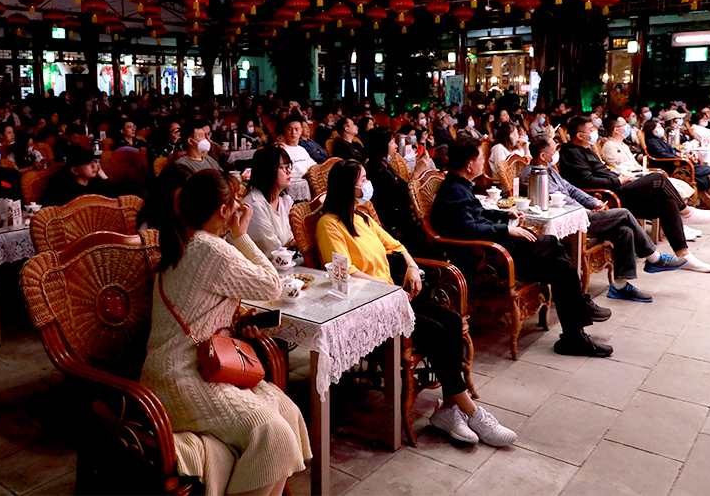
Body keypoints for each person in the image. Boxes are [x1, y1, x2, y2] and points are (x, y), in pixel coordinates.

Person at [316, 159, 517, 446]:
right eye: (362, 180)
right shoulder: (329, 224)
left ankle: (449, 408)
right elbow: (344, 271)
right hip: (366, 305)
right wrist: (388, 288)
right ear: (348, 187)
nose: (367, 185)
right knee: (434, 331)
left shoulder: (362, 219)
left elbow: (396, 246)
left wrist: (410, 266)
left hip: (392, 298)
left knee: (448, 319)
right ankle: (471, 410)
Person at [141, 170, 310, 496]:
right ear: (223, 210)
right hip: (178, 375)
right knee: (272, 434)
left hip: (198, 363)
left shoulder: (189, 241)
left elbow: (201, 307)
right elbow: (272, 285)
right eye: (235, 201)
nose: (240, 207)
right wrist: (242, 234)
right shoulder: (213, 249)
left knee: (287, 412)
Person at [433, 138, 614, 357]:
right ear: (470, 165)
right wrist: (507, 230)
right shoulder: (454, 191)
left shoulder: (459, 185)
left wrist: (504, 215)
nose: (483, 162)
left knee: (560, 261)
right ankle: (575, 328)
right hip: (486, 259)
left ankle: (575, 330)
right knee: (559, 259)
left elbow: (477, 214)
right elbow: (467, 229)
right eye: (481, 158)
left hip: (494, 249)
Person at [521, 135, 686, 302]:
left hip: (581, 212)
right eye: (553, 149)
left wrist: (593, 202)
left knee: (624, 230)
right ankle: (653, 257)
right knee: (624, 213)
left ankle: (620, 286)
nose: (556, 151)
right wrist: (584, 208)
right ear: (543, 156)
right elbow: (556, 199)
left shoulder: (550, 170)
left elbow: (572, 190)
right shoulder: (533, 175)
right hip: (569, 217)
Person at [559, 116, 710, 273]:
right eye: (591, 130)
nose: (595, 132)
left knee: (666, 202)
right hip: (609, 197)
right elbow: (586, 182)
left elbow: (602, 172)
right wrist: (617, 181)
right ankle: (686, 212)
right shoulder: (571, 153)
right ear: (580, 135)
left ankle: (684, 254)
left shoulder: (587, 150)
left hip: (618, 188)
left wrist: (620, 179)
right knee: (658, 178)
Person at [362, 127, 431, 254]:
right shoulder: (377, 171)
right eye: (392, 142)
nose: (395, 147)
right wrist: (417, 171)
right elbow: (406, 196)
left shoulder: (385, 166)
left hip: (403, 221)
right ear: (381, 146)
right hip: (398, 229)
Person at [637, 118, 710, 210]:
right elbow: (664, 156)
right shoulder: (652, 143)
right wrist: (680, 158)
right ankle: (709, 201)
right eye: (658, 127)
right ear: (652, 130)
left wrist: (682, 154)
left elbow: (673, 150)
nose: (661, 128)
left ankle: (709, 200)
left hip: (682, 164)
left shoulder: (660, 140)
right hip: (675, 167)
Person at [242, 146, 294, 258]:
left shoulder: (285, 200)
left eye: (289, 166)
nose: (289, 171)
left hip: (282, 261)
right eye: (283, 167)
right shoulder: (255, 205)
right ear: (268, 170)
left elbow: (291, 238)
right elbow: (271, 248)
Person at [41, 146, 117, 206]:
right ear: (75, 170)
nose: (94, 166)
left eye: (94, 162)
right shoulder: (63, 188)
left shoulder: (96, 184)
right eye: (88, 163)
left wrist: (105, 178)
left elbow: (114, 200)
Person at [277, 115, 316, 182]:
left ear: (301, 131)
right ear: (285, 130)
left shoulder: (302, 150)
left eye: (297, 129)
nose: (293, 133)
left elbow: (314, 167)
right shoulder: (280, 149)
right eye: (290, 129)